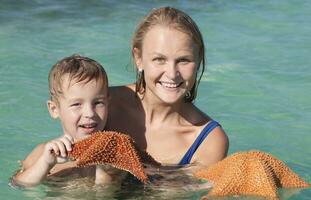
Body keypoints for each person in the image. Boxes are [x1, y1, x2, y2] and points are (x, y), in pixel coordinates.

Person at [106, 6, 229, 168]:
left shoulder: (207, 141)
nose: (172, 74)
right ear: (138, 58)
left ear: (198, 60)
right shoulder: (105, 104)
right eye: (159, 59)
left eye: (183, 60)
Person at [12, 55, 116, 186]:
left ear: (108, 103)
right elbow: (17, 184)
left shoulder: (116, 154)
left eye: (98, 102)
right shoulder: (45, 152)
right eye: (77, 104)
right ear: (54, 109)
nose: (90, 113)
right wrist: (45, 163)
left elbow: (106, 196)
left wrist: (104, 171)